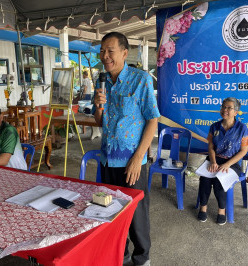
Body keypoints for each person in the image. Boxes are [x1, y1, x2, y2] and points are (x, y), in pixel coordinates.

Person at [93, 32, 160, 266]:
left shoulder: (140, 79)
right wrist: (98, 107)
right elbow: (100, 122)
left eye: (110, 50)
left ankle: (142, 259)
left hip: (133, 161)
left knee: (136, 215)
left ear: (124, 52)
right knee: (111, 211)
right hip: (107, 160)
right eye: (102, 51)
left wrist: (138, 157)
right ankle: (120, 255)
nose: (105, 56)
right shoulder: (101, 81)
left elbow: (153, 119)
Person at [197, 97, 248, 225]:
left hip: (232, 163)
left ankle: (222, 211)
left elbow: (243, 151)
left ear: (236, 112)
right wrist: (213, 162)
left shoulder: (242, 128)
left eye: (229, 108)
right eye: (223, 107)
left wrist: (227, 164)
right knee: (205, 178)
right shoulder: (214, 127)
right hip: (214, 159)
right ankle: (203, 207)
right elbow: (210, 146)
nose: (225, 110)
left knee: (219, 181)